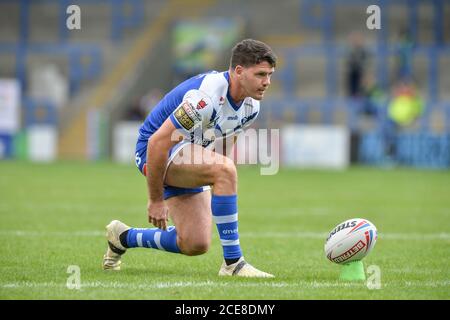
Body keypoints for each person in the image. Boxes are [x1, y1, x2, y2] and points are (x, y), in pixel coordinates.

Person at [102, 39, 277, 278]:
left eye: (269, 75)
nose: (266, 82)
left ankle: (122, 236)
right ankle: (234, 265)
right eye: (260, 74)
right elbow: (157, 142)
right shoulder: (205, 98)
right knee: (225, 169)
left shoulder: (251, 106)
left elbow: (224, 144)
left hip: (187, 152)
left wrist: (216, 180)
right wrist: (155, 200)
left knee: (195, 243)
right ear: (238, 71)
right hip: (154, 152)